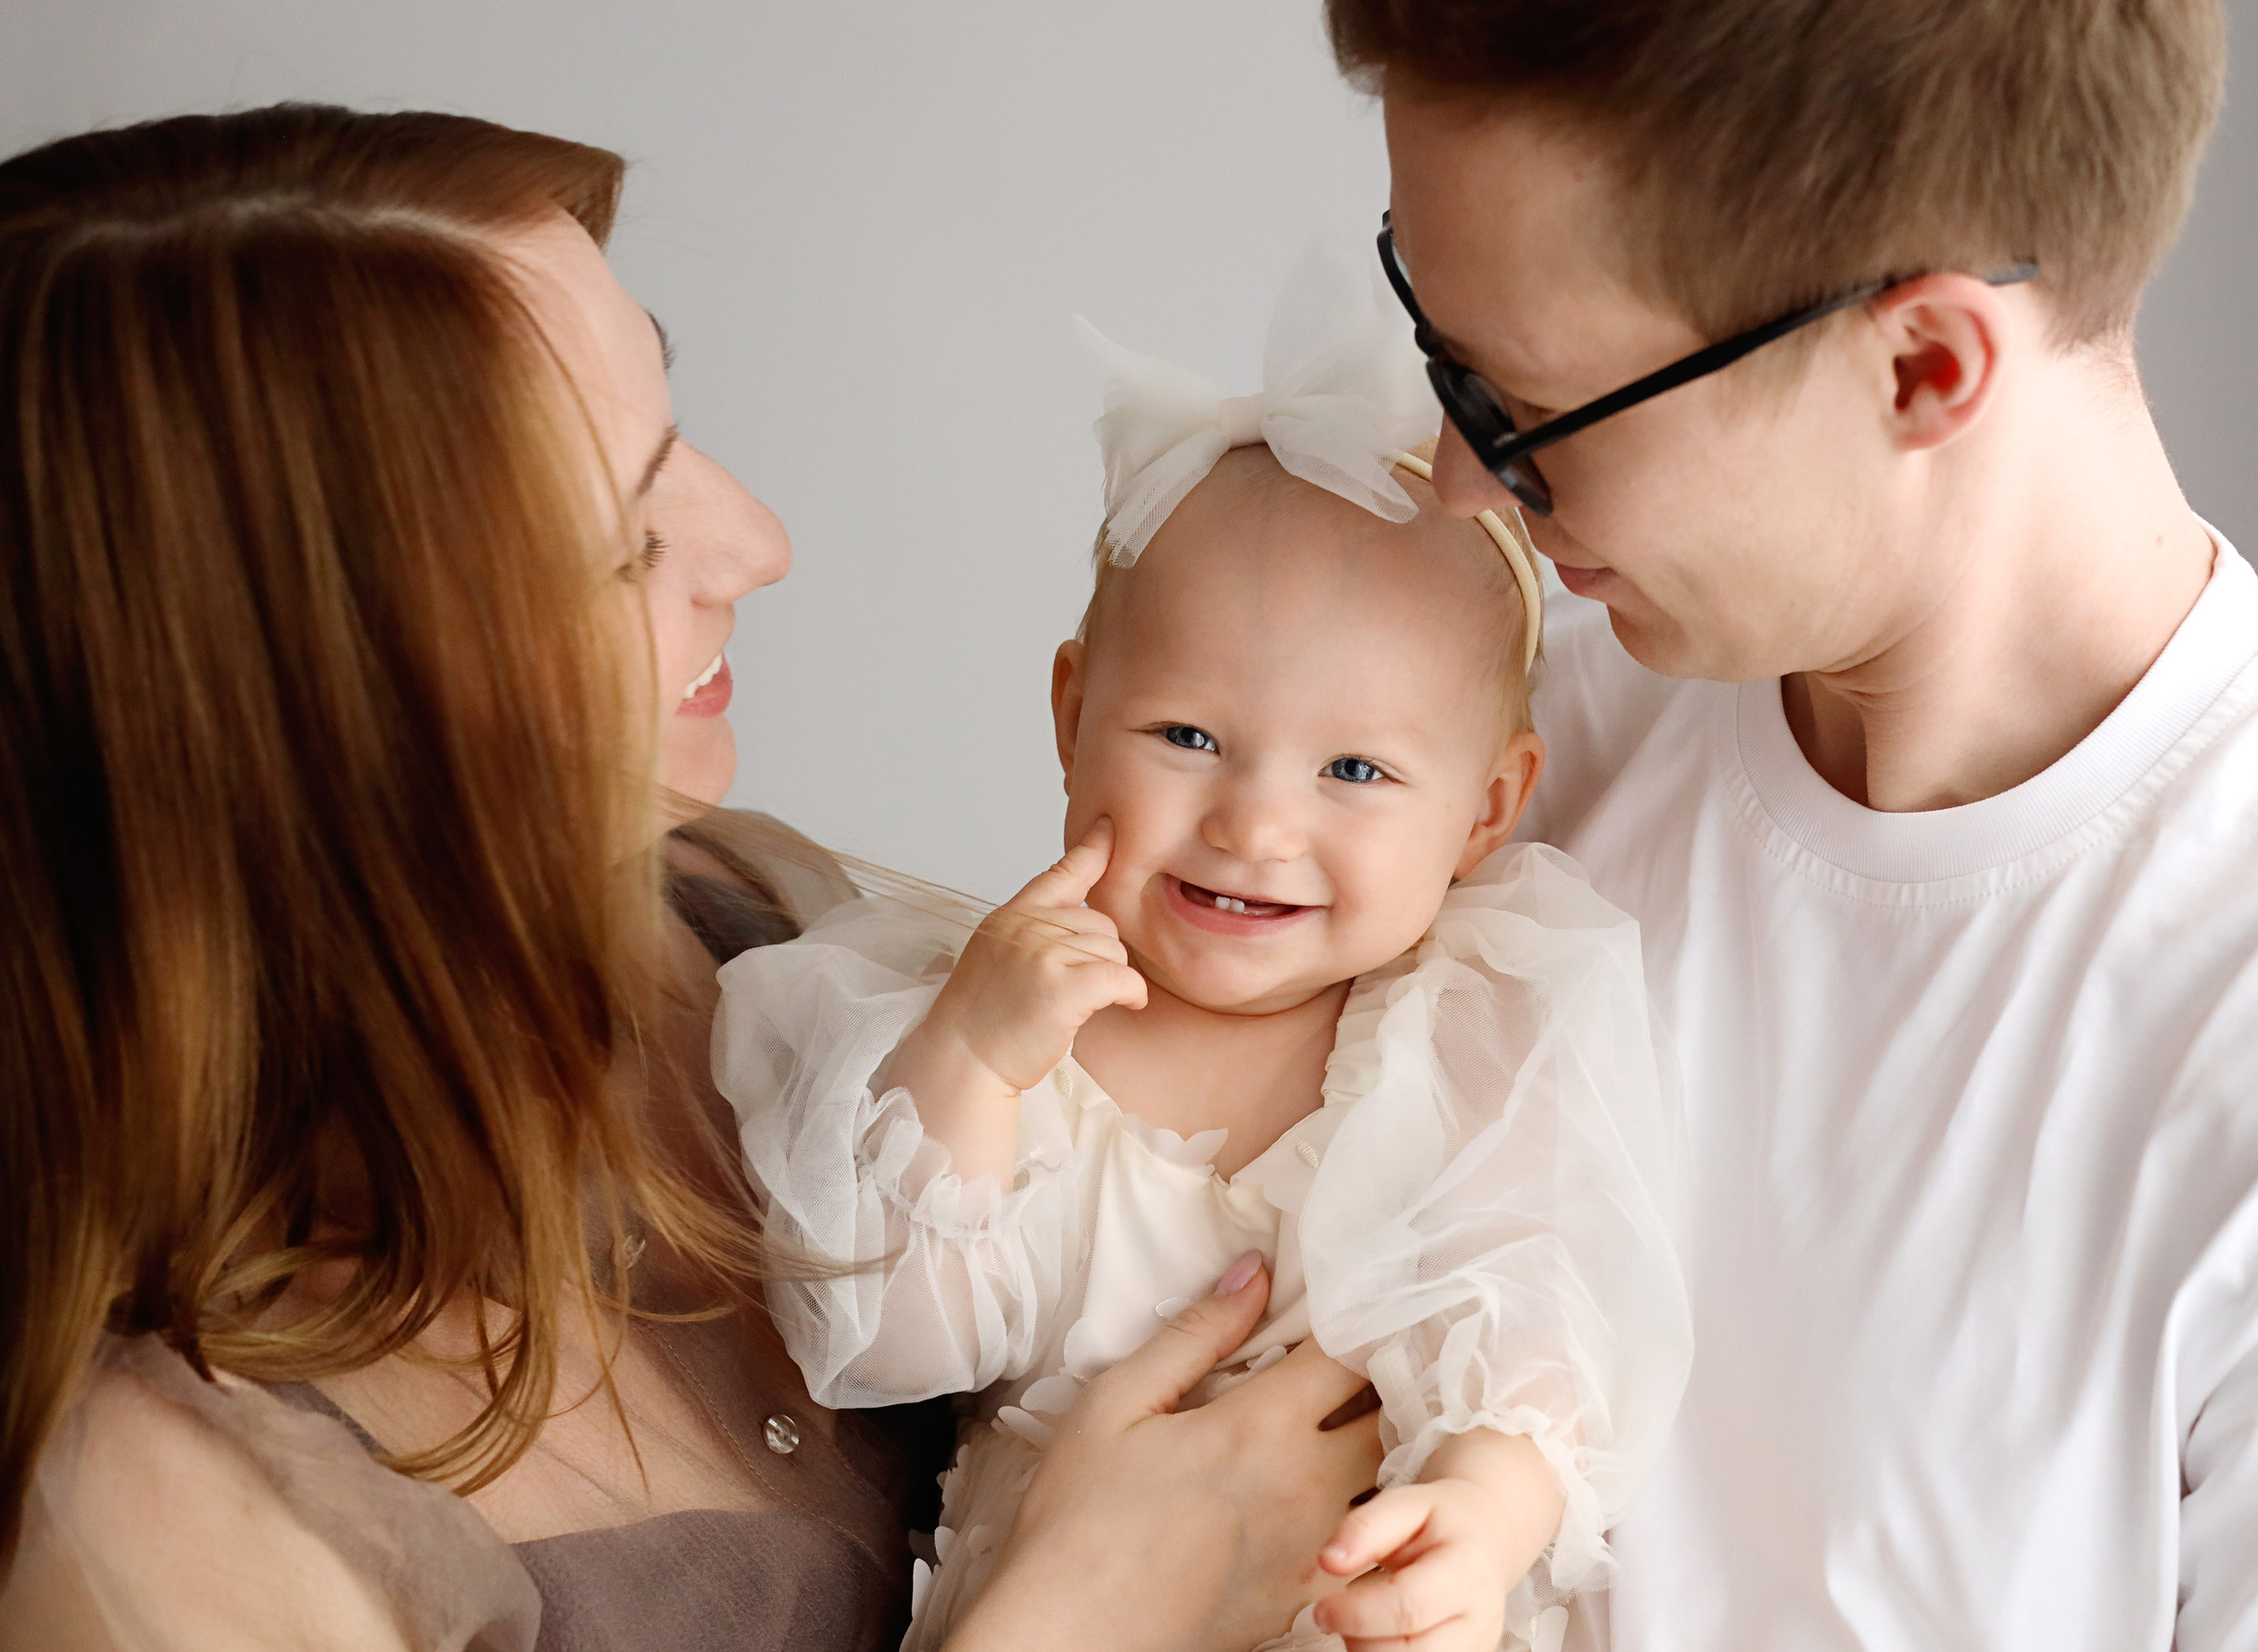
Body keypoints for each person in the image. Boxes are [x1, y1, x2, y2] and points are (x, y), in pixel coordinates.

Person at [0, 103, 1385, 1652]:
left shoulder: (746, 929)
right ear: (314, 720)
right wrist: (1077, 1622)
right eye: (619, 545)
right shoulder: (155, 1531)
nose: (758, 542)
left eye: (679, 428)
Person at [1319, 1, 2258, 1648]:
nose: (1457, 485)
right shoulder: (1488, 767)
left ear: (1926, 366)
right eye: (1441, 359)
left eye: (1525, 413)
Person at [711, 250, 1691, 1652]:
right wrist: (975, 1060)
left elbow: (1551, 1342)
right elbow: (883, 1346)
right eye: (1187, 738)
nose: (1257, 825)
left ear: (1487, 810)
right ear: (1070, 714)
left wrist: (1489, 1511)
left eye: (1355, 770)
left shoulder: (1475, 1027)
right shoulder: (992, 1033)